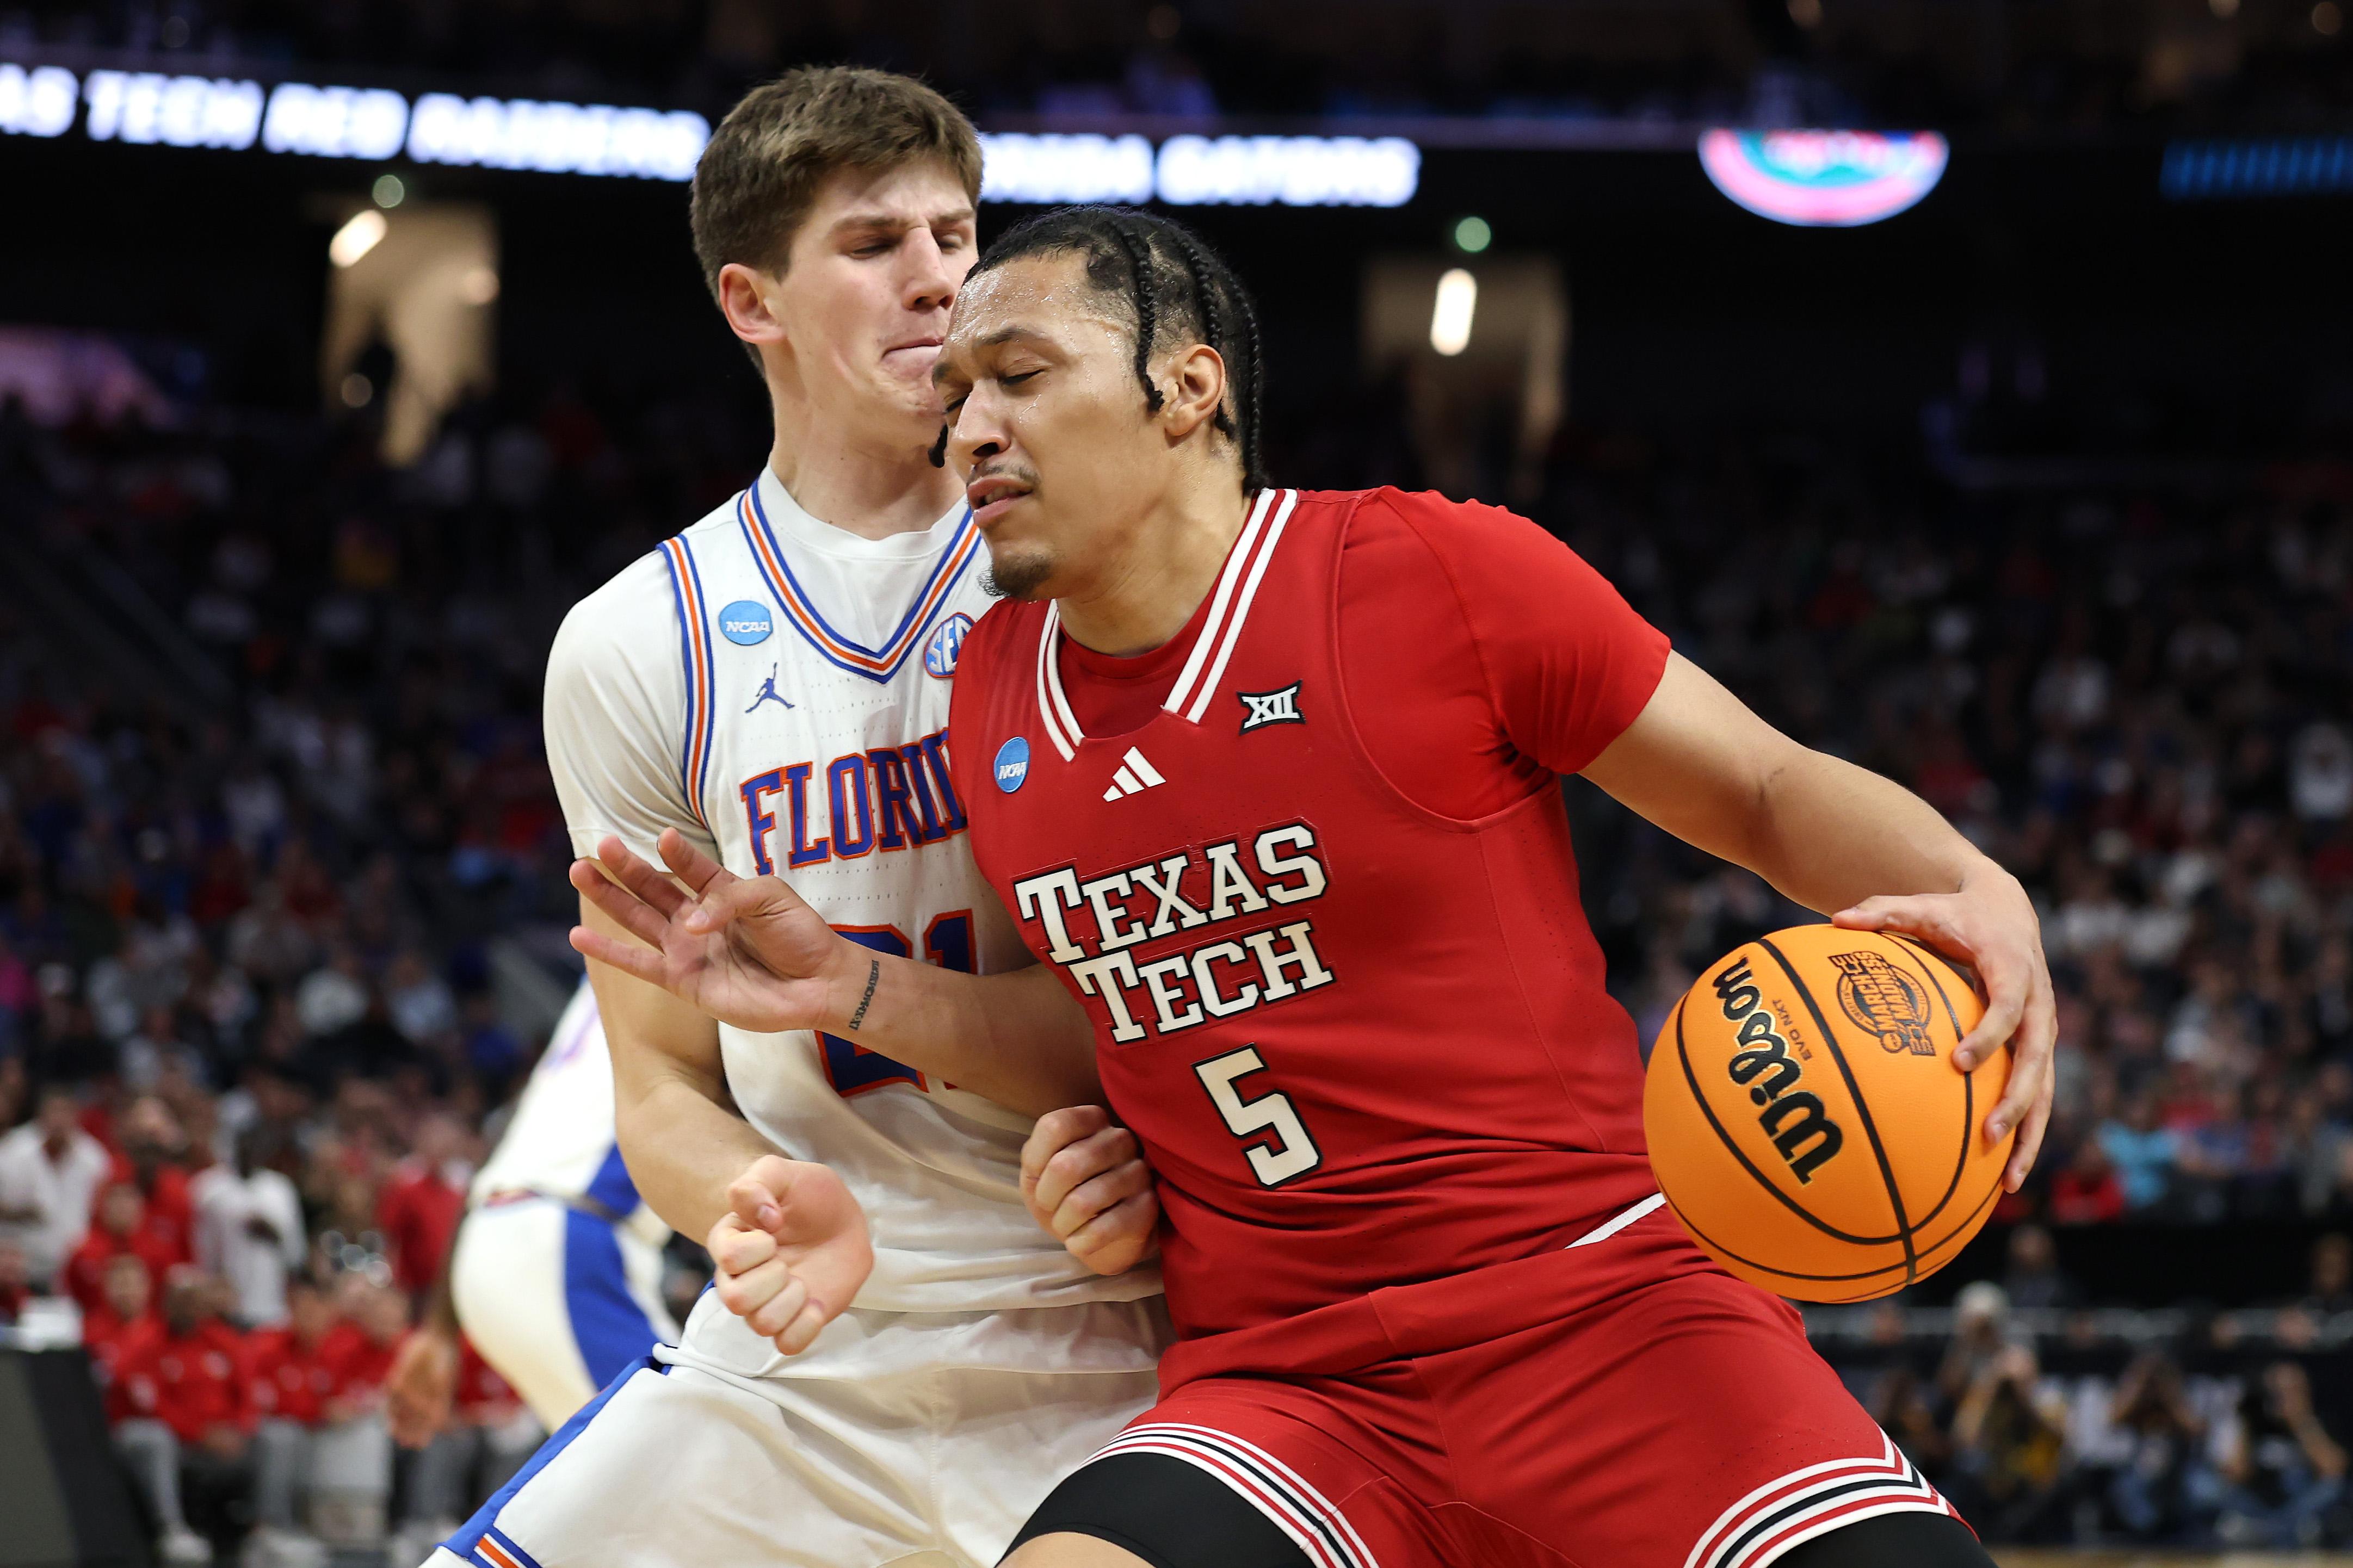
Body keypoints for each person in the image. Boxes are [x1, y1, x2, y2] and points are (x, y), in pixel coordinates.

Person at [577, 205, 2062, 1568]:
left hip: (1601, 1307)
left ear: (1187, 388)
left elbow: (1757, 787)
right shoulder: (989, 694)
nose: (969, 428)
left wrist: (1964, 880)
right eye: (955, 394)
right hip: (1282, 1381)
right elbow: (1102, 1031)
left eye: (1018, 375)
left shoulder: (1432, 572)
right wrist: (852, 989)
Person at [426, 68, 1163, 1568]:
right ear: (752, 301)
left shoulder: (1109, 562)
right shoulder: (639, 644)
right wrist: (749, 1197)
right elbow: (662, 1088)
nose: (940, 280)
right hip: (812, 1365)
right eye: (876, 241)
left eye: (958, 234)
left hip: (1121, 1337)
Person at [385, 982, 676, 1445]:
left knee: (630, 1479)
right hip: (565, 1239)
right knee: (690, 1452)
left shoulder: (609, 957)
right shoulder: (712, 939)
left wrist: (440, 1326)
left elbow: (504, 1142)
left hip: (496, 1226)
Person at [113, 1266, 257, 1565]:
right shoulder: (145, 1344)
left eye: (195, 1299)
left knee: (275, 1436)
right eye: (181, 1299)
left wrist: (239, 1429)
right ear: (166, 1301)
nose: (189, 1307)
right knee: (155, 1438)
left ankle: (267, 1530)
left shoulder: (223, 1341)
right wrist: (201, 1434)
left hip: (226, 1439)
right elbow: (151, 1405)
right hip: (174, 1442)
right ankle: (172, 1530)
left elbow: (248, 1392)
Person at [191, 1126, 306, 1327]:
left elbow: (296, 1252)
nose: (250, 1151)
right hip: (223, 1302)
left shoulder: (280, 1189)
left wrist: (271, 1232)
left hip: (270, 1303)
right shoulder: (209, 1188)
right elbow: (201, 1247)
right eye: (245, 1144)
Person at [0, 1082, 112, 1286]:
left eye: (65, 1112)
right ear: (40, 1115)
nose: (59, 1120)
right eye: (54, 1112)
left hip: (75, 1270)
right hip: (18, 1270)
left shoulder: (94, 1159)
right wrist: (18, 1212)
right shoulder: (12, 1151)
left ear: (77, 1116)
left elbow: (103, 1212)